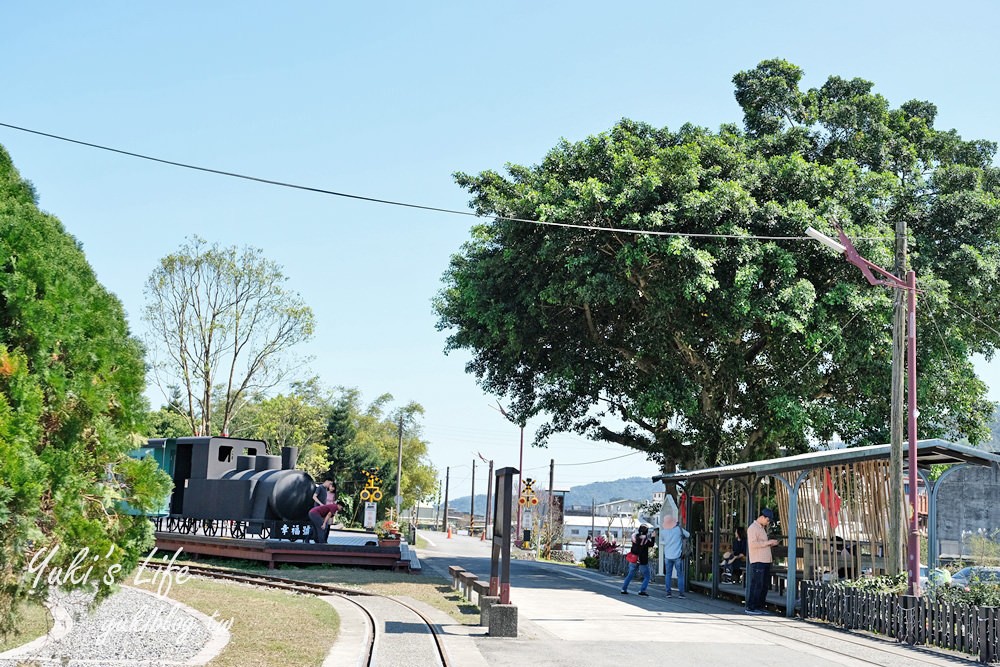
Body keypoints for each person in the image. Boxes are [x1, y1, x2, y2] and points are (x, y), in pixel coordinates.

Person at [746, 508, 780, 615]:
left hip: (765, 560)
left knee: (764, 585)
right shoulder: (753, 528)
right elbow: (753, 544)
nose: (768, 522)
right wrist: (768, 542)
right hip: (757, 560)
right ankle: (751, 606)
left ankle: (760, 606)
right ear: (762, 517)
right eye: (768, 520)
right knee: (757, 584)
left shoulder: (761, 528)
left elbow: (762, 543)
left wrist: (769, 543)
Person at [620, 524, 655, 596]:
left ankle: (624, 589)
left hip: (634, 558)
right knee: (647, 576)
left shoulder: (634, 537)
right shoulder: (645, 540)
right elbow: (651, 544)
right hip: (642, 560)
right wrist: (653, 537)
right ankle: (642, 590)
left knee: (630, 575)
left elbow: (638, 538)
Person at [661, 516, 690, 599]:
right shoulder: (678, 530)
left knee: (668, 575)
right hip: (678, 556)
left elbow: (662, 540)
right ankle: (681, 593)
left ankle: (668, 593)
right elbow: (688, 535)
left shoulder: (664, 532)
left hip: (667, 556)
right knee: (680, 575)